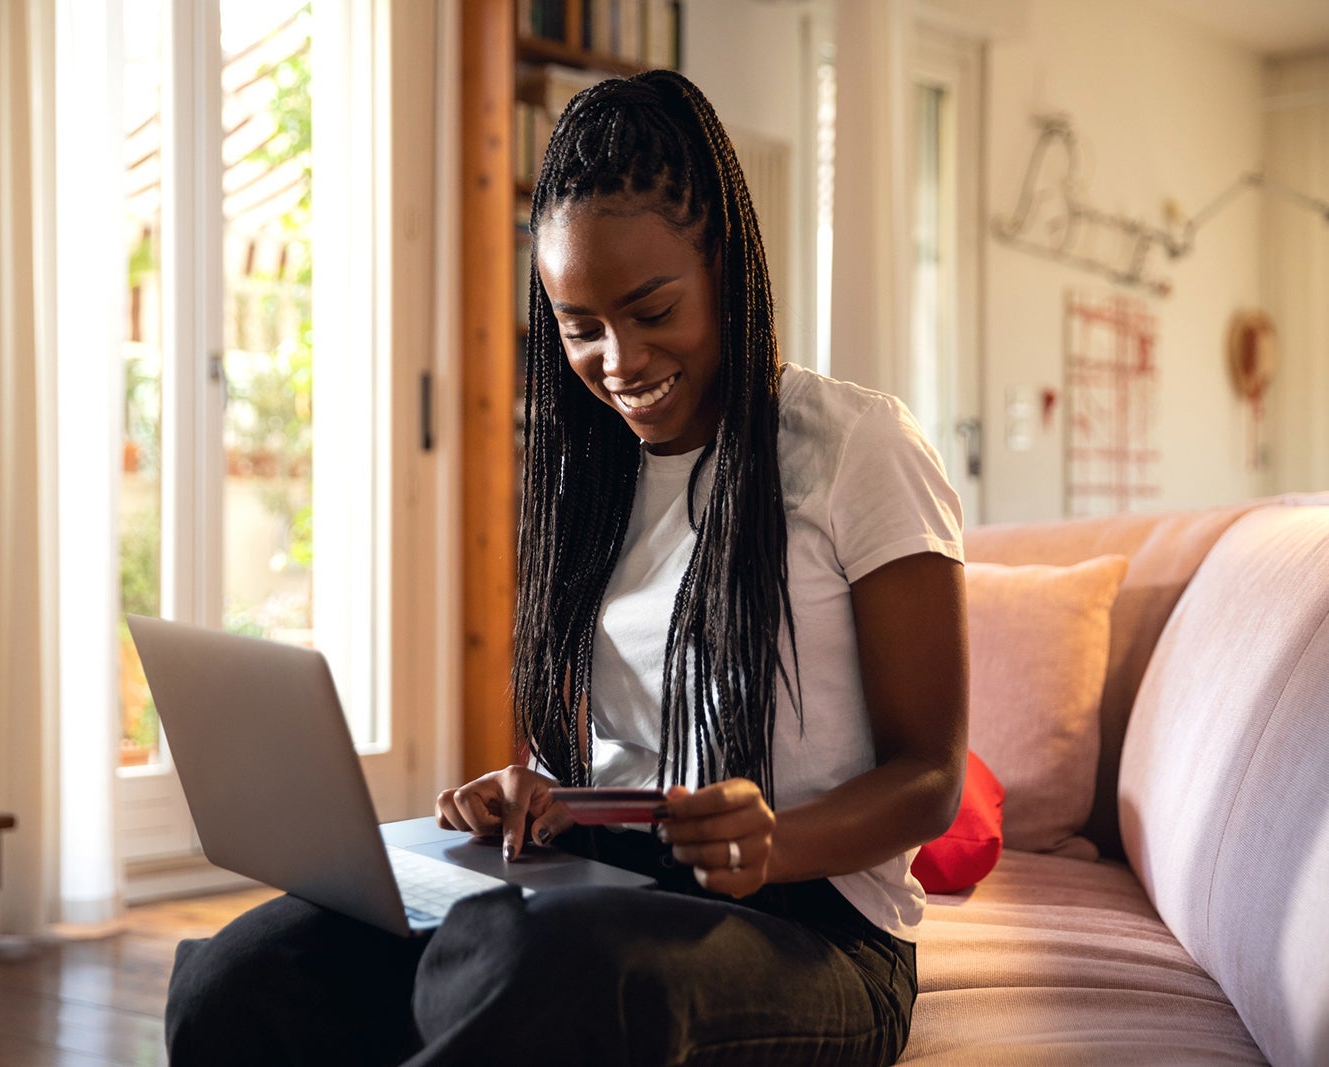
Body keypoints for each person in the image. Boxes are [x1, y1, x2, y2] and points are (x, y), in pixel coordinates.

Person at [165, 69, 966, 1067]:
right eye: (580, 327)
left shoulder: (858, 444)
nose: (618, 360)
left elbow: (930, 776)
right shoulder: (593, 476)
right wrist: (539, 793)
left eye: (650, 309)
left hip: (817, 926)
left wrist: (776, 842)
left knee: (548, 969)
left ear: (725, 260)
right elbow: (624, 751)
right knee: (236, 977)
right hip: (606, 878)